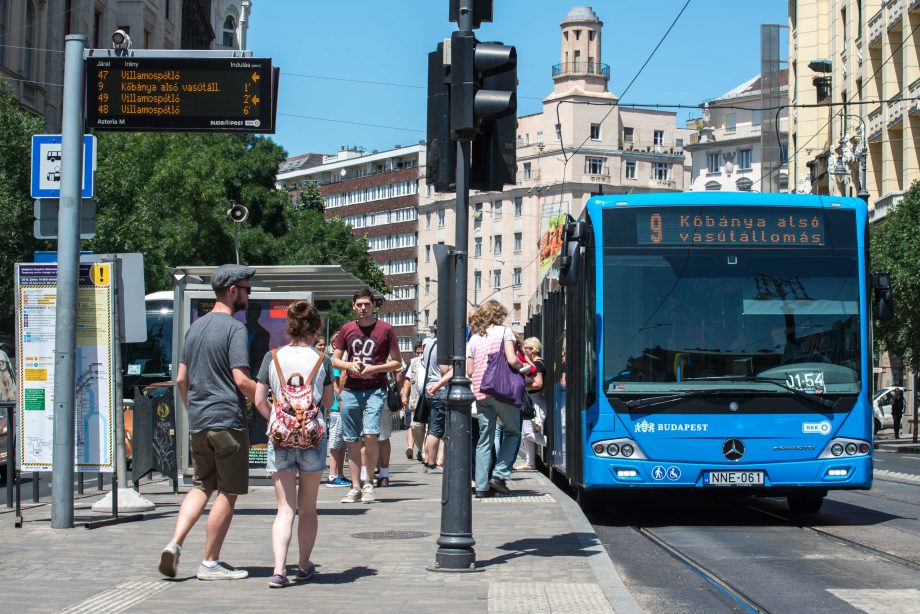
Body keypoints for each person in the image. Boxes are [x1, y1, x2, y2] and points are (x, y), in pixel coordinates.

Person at [158, 264, 256, 581]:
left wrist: (193, 410)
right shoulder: (234, 329)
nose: (248, 295)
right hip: (227, 421)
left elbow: (181, 379)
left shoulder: (195, 328)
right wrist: (270, 399)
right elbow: (241, 380)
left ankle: (175, 544)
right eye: (246, 289)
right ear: (232, 291)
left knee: (202, 485)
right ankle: (209, 563)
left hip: (200, 423)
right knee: (227, 492)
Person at [254, 300, 332, 588]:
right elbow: (328, 403)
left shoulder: (271, 357)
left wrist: (276, 418)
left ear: (289, 326)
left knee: (284, 508)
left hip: (281, 438)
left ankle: (278, 571)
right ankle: (302, 565)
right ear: (315, 328)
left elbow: (259, 400)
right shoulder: (322, 360)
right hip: (312, 437)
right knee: (308, 508)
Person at [331, 288, 403, 504]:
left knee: (371, 434)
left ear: (373, 306)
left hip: (375, 389)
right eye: (359, 305)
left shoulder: (385, 329)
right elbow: (334, 360)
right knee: (351, 440)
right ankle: (355, 487)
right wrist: (350, 365)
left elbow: (397, 362)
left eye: (367, 305)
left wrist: (374, 368)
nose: (363, 308)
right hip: (351, 389)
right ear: (353, 306)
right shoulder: (347, 329)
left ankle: (369, 483)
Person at [467, 300, 525, 498]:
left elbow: (469, 370)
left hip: (481, 393)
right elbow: (512, 359)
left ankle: (481, 487)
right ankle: (499, 476)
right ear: (499, 315)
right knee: (512, 432)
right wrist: (525, 368)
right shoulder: (504, 332)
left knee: (484, 440)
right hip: (502, 391)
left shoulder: (474, 338)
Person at [317, 336, 350, 487]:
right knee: (335, 441)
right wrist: (340, 398)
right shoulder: (334, 361)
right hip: (337, 407)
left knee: (342, 443)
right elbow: (335, 384)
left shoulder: (342, 359)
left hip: (342, 406)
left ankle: (340, 473)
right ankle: (332, 475)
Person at [422, 334, 452, 474]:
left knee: (432, 427)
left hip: (429, 389)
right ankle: (432, 465)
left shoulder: (430, 343)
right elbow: (444, 370)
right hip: (439, 389)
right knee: (436, 429)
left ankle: (427, 461)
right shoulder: (444, 346)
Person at [518, 337, 546, 471]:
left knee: (528, 433)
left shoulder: (538, 364)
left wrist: (523, 385)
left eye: (526, 348)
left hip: (534, 400)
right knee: (526, 433)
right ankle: (530, 462)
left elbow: (538, 383)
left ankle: (551, 444)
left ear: (533, 349)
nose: (524, 350)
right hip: (532, 399)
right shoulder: (536, 363)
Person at [403, 343, 425, 461]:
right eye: (418, 352)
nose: (420, 354)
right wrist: (404, 396)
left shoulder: (431, 361)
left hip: (427, 399)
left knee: (424, 426)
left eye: (422, 351)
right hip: (414, 400)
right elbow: (407, 380)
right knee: (412, 425)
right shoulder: (413, 363)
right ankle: (412, 447)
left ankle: (422, 450)